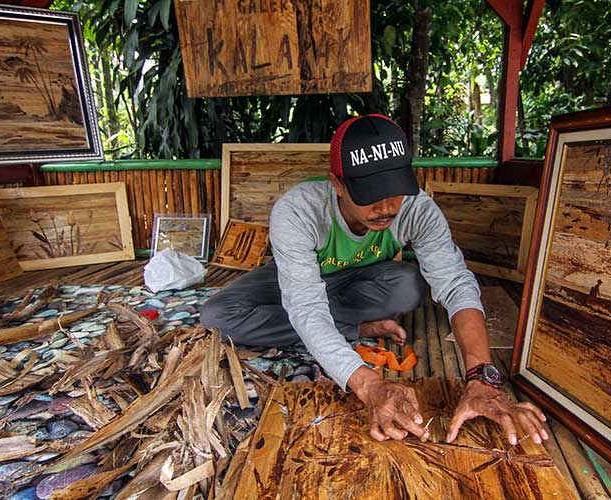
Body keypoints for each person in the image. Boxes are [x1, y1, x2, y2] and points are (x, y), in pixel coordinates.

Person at [201, 114, 548, 444]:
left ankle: (344, 324)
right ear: (337, 184)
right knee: (217, 316)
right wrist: (368, 384)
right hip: (301, 276)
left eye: (395, 190)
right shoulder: (297, 211)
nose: (386, 207)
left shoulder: (416, 208)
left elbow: (455, 283)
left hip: (363, 278)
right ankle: (361, 328)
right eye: (369, 195)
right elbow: (306, 304)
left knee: (409, 286)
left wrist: (481, 376)